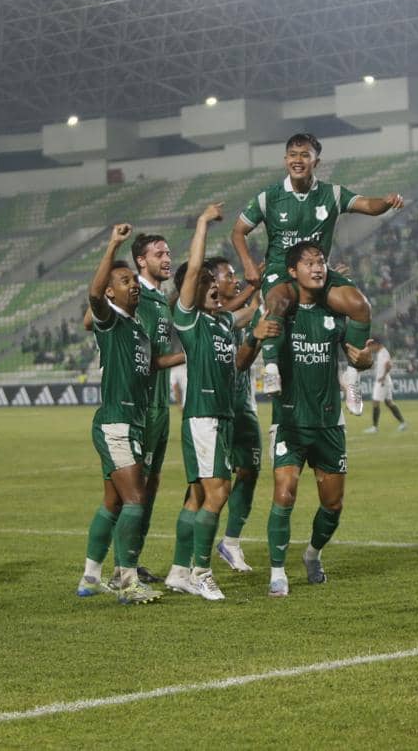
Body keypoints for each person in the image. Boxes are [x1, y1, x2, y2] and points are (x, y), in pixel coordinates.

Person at [231, 132, 402, 414]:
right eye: (293, 155)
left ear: (316, 161)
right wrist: (249, 264)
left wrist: (386, 202)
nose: (298, 160)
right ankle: (271, 368)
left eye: (305, 155)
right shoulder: (268, 197)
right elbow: (238, 231)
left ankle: (353, 377)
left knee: (360, 306)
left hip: (318, 271)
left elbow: (367, 206)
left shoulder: (331, 194)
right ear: (286, 159)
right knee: (277, 301)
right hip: (281, 272)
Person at [162, 205, 275, 600]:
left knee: (196, 495)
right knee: (219, 491)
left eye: (215, 281)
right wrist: (202, 224)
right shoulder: (189, 319)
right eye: (207, 282)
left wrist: (263, 288)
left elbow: (246, 312)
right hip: (204, 417)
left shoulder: (221, 321)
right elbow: (192, 272)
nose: (214, 285)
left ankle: (179, 571)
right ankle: (202, 570)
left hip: (222, 418)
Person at [260, 241, 374, 597]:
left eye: (321, 261)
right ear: (293, 271)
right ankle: (277, 572)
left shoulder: (334, 312)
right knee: (284, 493)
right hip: (290, 421)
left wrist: (363, 363)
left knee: (333, 504)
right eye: (309, 263)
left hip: (328, 423)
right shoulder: (282, 310)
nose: (317, 267)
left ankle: (312, 554)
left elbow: (360, 351)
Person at [77, 224, 163, 605]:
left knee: (113, 502)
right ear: (112, 293)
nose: (134, 285)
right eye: (125, 280)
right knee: (134, 501)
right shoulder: (109, 321)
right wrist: (114, 244)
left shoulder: (138, 329)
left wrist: (197, 355)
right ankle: (128, 580)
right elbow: (94, 294)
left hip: (135, 423)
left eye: (134, 280)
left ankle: (90, 576)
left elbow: (156, 364)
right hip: (117, 422)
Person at [129, 231, 183, 583]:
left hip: (160, 405)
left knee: (151, 486)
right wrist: (189, 353)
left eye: (168, 252)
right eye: (159, 253)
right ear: (141, 261)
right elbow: (145, 362)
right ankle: (122, 566)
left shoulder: (160, 298)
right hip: (141, 406)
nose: (167, 258)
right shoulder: (140, 300)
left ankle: (132, 560)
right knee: (133, 489)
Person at [210, 256, 265, 573]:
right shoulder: (211, 316)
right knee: (210, 485)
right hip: (216, 409)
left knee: (250, 470)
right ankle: (191, 558)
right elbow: (248, 319)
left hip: (244, 403)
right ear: (213, 283)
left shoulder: (240, 314)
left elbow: (257, 307)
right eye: (229, 275)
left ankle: (230, 542)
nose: (236, 279)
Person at [364, 340, 407, 433]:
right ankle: (403, 423)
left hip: (382, 382)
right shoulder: (381, 353)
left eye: (371, 346)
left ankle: (374, 427)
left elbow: (389, 365)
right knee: (389, 402)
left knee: (375, 402)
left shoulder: (383, 353)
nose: (371, 348)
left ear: (376, 344)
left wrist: (383, 377)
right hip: (384, 381)